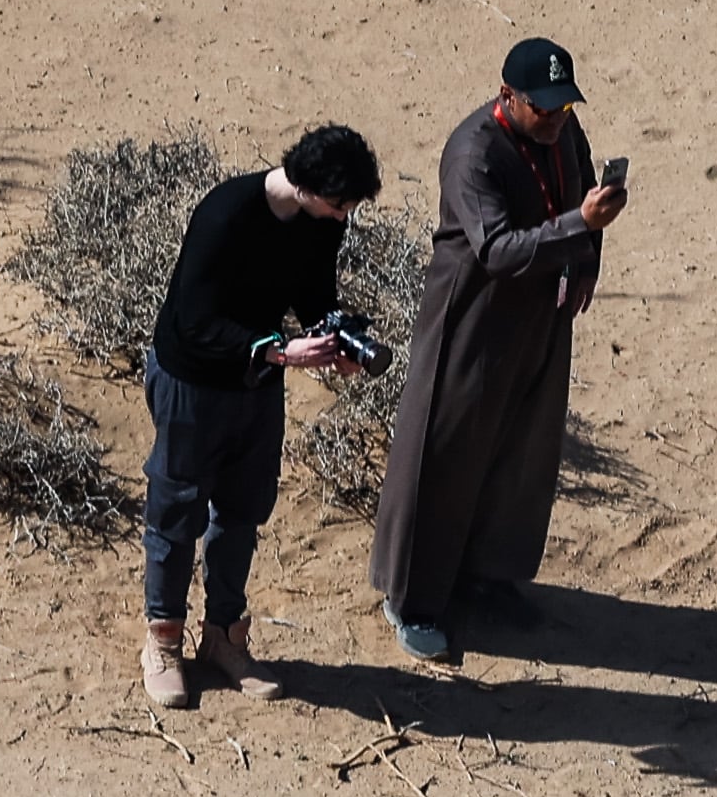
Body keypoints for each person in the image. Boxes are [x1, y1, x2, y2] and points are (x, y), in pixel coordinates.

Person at [369, 37, 626, 665]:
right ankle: (413, 600)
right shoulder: (473, 151)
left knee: (522, 447)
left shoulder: (562, 127)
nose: (556, 119)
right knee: (446, 454)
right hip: (473, 318)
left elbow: (583, 182)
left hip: (542, 310)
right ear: (507, 95)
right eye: (543, 108)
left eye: (564, 107)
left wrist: (588, 258)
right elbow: (497, 250)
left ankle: (487, 576)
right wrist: (580, 230)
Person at [138, 123, 380, 710]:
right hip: (192, 380)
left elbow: (314, 292)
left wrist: (335, 340)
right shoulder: (225, 215)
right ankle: (163, 640)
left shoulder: (321, 225)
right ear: (307, 185)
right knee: (177, 510)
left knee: (243, 511)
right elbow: (194, 320)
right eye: (340, 203)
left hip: (255, 387)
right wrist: (280, 350)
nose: (344, 217)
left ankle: (223, 638)